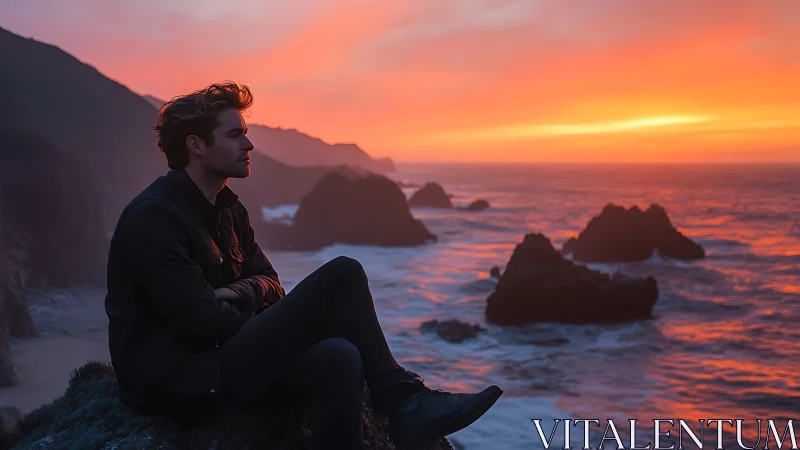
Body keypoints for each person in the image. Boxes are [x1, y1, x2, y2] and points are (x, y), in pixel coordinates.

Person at [104, 82, 502, 449]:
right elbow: (202, 323)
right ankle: (405, 403)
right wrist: (253, 307)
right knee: (342, 273)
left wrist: (238, 292)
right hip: (179, 387)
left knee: (340, 355)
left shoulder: (229, 212)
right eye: (234, 134)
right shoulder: (155, 217)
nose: (249, 144)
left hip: (219, 364)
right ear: (196, 145)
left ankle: (402, 409)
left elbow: (272, 284)